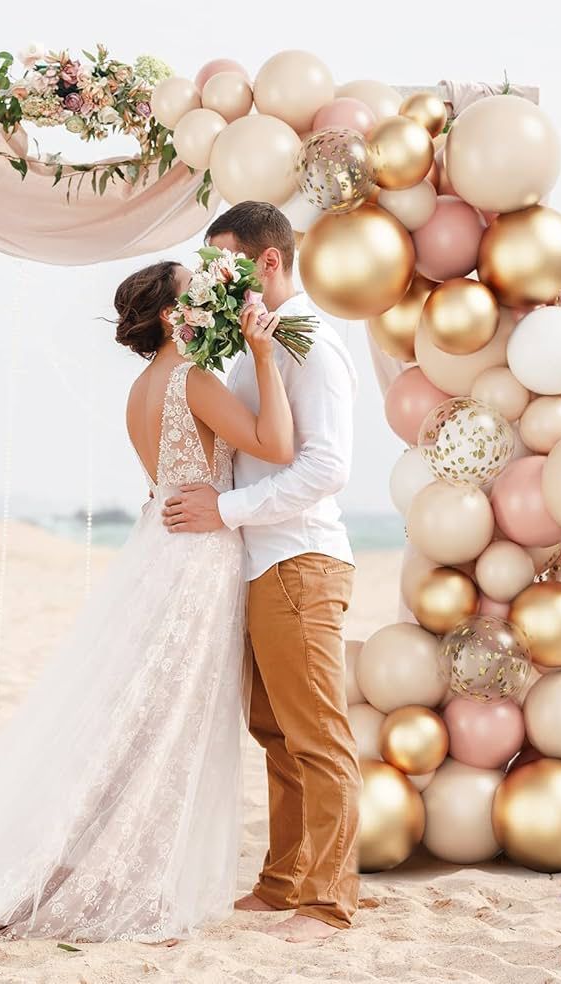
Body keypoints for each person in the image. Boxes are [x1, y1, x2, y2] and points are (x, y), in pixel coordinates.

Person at [0, 259, 295, 953]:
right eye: (199, 293)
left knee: (141, 722)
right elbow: (276, 444)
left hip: (161, 551)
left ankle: (107, 859)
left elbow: (165, 483)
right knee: (167, 728)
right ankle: (130, 877)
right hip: (196, 562)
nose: (211, 300)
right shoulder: (194, 380)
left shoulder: (141, 389)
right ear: (170, 316)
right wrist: (264, 354)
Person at [162, 201, 360, 944]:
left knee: (318, 737)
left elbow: (328, 467)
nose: (215, 276)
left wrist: (230, 509)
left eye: (225, 262)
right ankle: (283, 884)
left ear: (267, 263)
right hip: (259, 562)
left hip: (300, 560)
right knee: (274, 733)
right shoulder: (255, 345)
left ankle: (329, 901)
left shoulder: (312, 344)